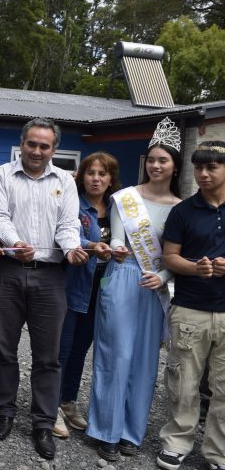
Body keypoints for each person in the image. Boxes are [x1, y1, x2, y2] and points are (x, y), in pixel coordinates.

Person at [0, 118, 87, 460]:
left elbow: (68, 224)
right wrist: (15, 243)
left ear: (54, 149)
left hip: (51, 276)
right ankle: (5, 411)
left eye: (45, 146)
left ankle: (43, 422)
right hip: (8, 271)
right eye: (32, 144)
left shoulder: (65, 182)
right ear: (22, 143)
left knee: (48, 356)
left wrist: (72, 248)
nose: (37, 151)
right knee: (4, 349)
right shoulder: (0, 175)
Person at [86, 117, 182, 461]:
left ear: (174, 166)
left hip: (154, 286)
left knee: (144, 361)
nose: (156, 166)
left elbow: (175, 256)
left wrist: (166, 279)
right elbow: (116, 238)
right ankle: (105, 430)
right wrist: (116, 247)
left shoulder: (180, 207)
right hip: (123, 276)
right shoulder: (124, 199)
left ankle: (131, 431)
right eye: (152, 159)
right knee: (115, 355)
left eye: (163, 160)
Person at [154, 140, 225, 470]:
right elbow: (169, 256)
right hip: (190, 308)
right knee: (183, 382)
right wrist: (196, 267)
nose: (203, 173)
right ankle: (177, 442)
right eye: (198, 167)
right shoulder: (182, 211)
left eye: (212, 167)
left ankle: (217, 453)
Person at [53, 152, 119, 439]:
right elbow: (64, 233)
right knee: (62, 349)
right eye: (91, 173)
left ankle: (68, 401)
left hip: (103, 288)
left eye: (102, 174)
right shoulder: (73, 204)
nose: (96, 178)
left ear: (110, 179)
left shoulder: (117, 207)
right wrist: (92, 245)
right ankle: (50, 404)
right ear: (81, 176)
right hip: (73, 284)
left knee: (81, 349)